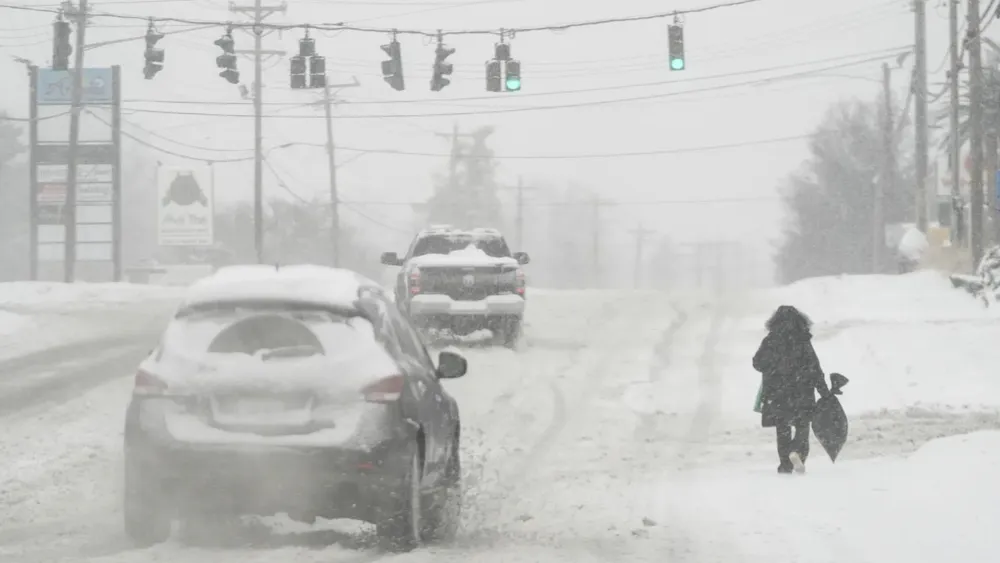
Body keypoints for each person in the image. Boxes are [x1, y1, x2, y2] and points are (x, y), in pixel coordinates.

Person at [752, 305, 830, 474]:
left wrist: (772, 367)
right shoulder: (803, 340)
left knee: (783, 429)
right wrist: (824, 391)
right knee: (802, 427)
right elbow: (815, 368)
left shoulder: (771, 340)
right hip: (803, 391)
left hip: (778, 392)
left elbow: (757, 363)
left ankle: (785, 464)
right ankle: (798, 452)